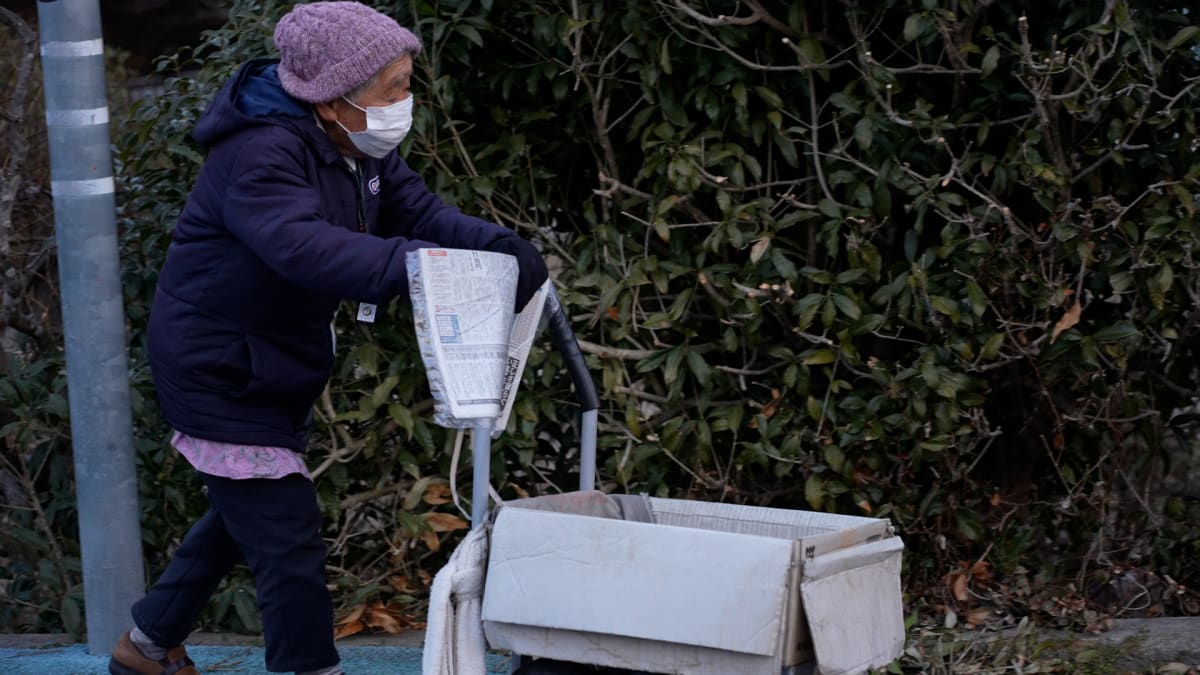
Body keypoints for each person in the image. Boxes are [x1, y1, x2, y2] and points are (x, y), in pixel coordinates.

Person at [107, 2, 548, 674]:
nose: (404, 102)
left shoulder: (357, 144)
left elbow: (419, 211)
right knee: (286, 536)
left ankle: (144, 645)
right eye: (392, 89)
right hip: (218, 366)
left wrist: (502, 247)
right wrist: (432, 269)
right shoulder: (260, 151)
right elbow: (305, 248)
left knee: (245, 516)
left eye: (406, 84)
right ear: (331, 98)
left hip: (275, 361)